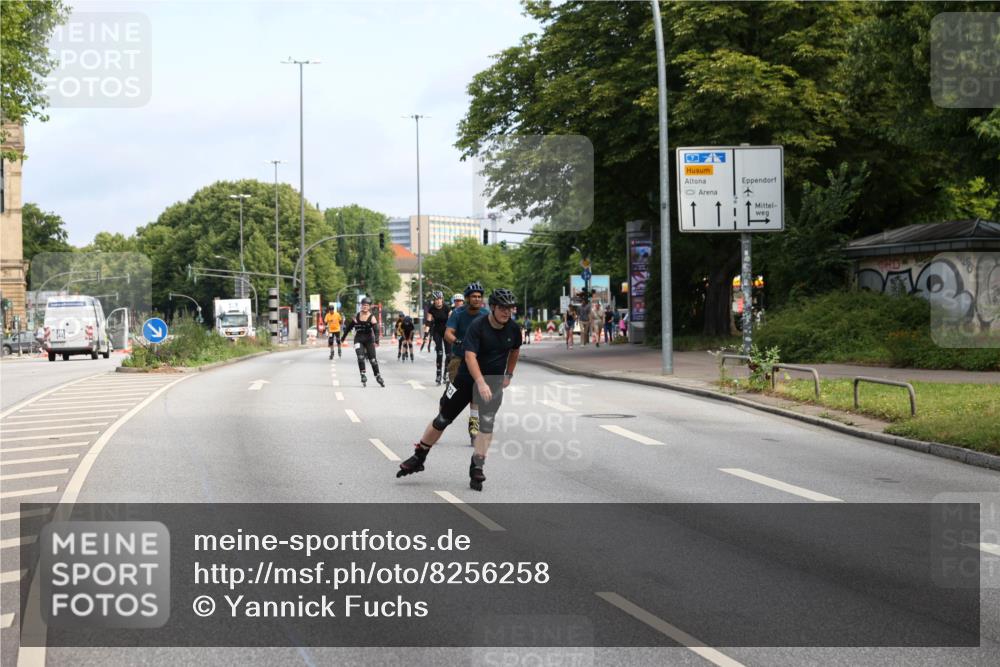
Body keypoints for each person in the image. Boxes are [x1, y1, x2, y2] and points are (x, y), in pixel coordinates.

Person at [397, 288, 522, 491]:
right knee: (442, 419)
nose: (506, 312)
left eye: (510, 308)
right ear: (493, 308)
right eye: (502, 308)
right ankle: (419, 456)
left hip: (493, 381)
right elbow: (470, 356)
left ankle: (477, 467)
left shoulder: (513, 329)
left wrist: (509, 374)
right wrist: (480, 382)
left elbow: (515, 350)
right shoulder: (478, 326)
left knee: (486, 426)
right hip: (465, 378)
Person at [444, 281, 486, 444]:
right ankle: (443, 412)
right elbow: (448, 333)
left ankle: (474, 426)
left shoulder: (485, 313)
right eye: (473, 297)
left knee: (475, 392)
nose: (476, 299)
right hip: (459, 358)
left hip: (477, 359)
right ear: (467, 298)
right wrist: (457, 341)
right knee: (453, 393)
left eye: (479, 297)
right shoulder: (458, 313)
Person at [341, 298, 384, 387]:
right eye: (363, 305)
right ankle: (363, 374)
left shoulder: (372, 317)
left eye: (367, 305)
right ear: (361, 306)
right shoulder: (356, 317)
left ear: (369, 307)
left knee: (373, 360)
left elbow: (376, 330)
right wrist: (343, 338)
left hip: (369, 340)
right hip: (358, 339)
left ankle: (378, 376)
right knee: (360, 357)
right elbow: (348, 328)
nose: (365, 307)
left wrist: (376, 341)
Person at [424, 291, 451, 385]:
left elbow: (452, 320)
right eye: (436, 299)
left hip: (447, 331)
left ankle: (446, 373)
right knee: (439, 353)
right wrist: (425, 334)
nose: (438, 301)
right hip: (437, 332)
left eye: (440, 299)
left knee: (449, 355)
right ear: (434, 300)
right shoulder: (431, 309)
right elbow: (428, 322)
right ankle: (438, 374)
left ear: (442, 299)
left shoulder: (447, 308)